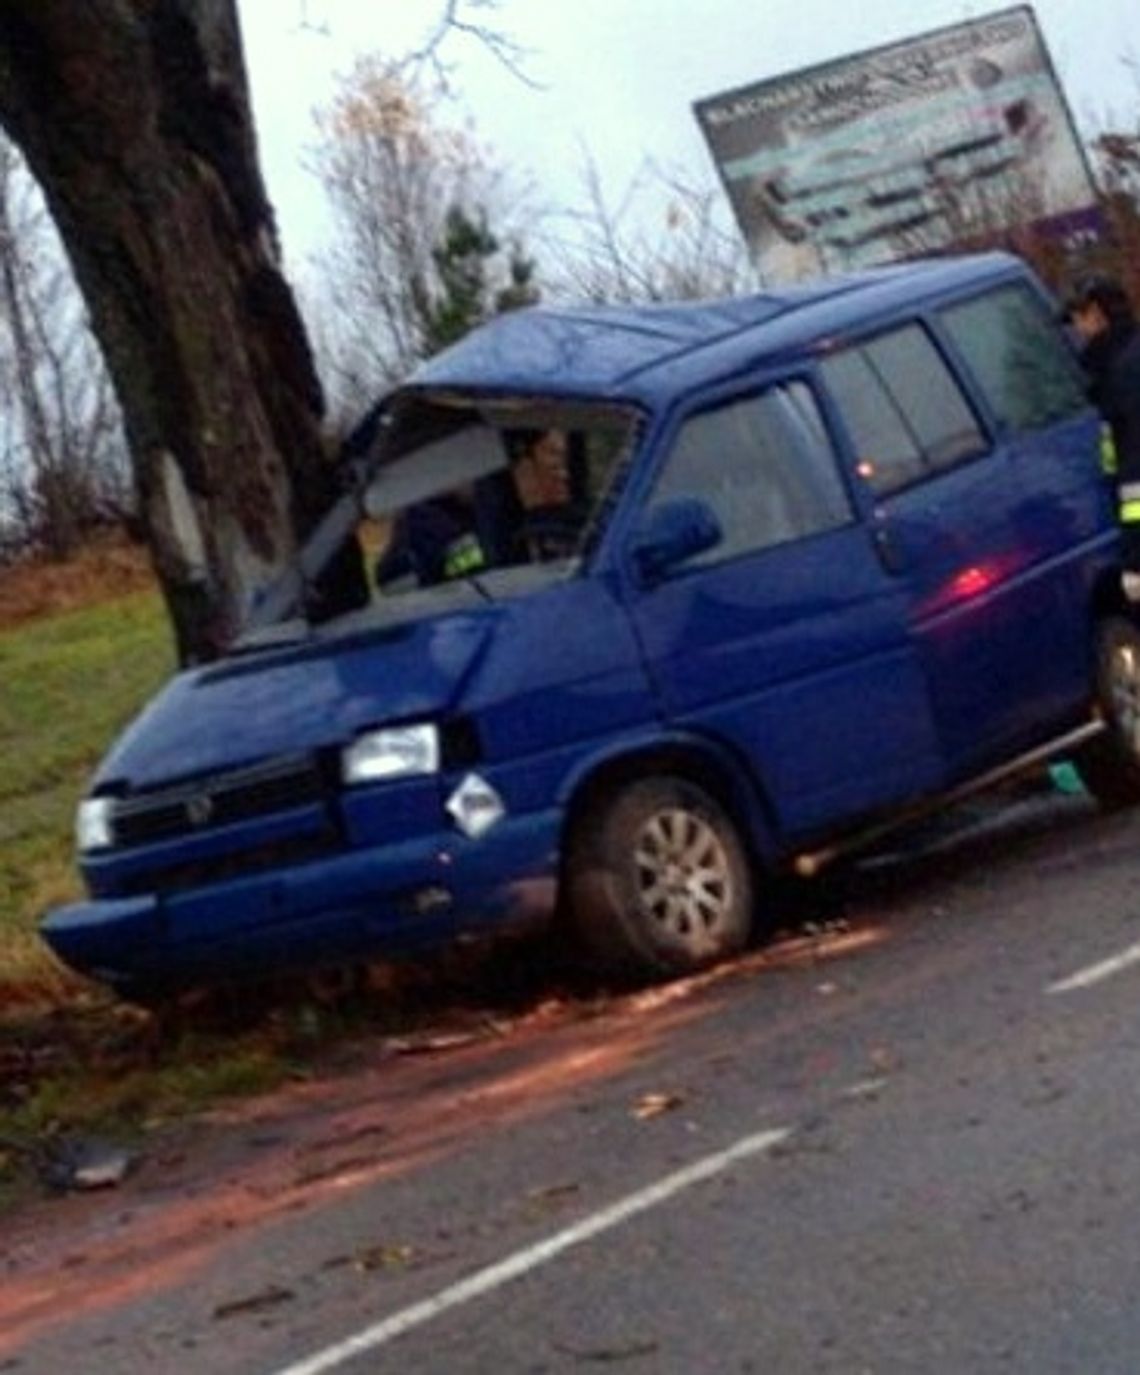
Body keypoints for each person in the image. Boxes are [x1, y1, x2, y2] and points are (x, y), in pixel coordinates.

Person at [1065, 272, 1140, 601]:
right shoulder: (1122, 366)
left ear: (1097, 314)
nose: (1078, 331)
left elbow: (1135, 482)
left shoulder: (1123, 376)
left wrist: (1135, 559)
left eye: (1079, 319)